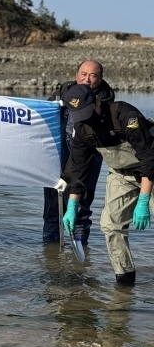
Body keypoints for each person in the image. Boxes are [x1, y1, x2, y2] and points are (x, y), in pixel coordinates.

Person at [61, 84, 154, 285]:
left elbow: (149, 159)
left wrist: (144, 200)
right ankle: (124, 282)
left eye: (87, 111)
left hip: (150, 170)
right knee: (110, 225)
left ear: (96, 101)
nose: (85, 118)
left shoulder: (125, 115)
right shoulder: (82, 127)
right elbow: (78, 169)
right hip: (120, 175)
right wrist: (72, 206)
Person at [43, 60, 115, 245]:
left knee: (81, 199)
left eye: (93, 75)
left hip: (89, 153)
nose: (87, 79)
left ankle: (80, 241)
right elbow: (45, 112)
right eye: (83, 74)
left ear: (100, 78)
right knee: (53, 200)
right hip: (59, 152)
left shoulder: (105, 99)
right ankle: (50, 247)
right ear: (76, 74)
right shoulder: (65, 89)